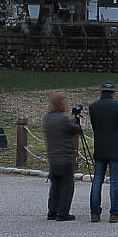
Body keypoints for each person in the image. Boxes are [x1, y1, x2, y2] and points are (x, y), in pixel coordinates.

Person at [87, 81, 118, 223]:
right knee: (115, 181)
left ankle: (95, 212)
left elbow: (95, 126)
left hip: (100, 146)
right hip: (116, 147)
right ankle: (115, 212)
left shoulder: (93, 107)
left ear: (101, 92)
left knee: (97, 179)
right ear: (113, 93)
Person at [44, 92, 81, 221]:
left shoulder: (48, 118)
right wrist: (76, 122)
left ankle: (52, 211)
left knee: (55, 186)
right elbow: (74, 130)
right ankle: (63, 212)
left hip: (53, 158)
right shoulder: (63, 119)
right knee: (66, 186)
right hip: (65, 158)